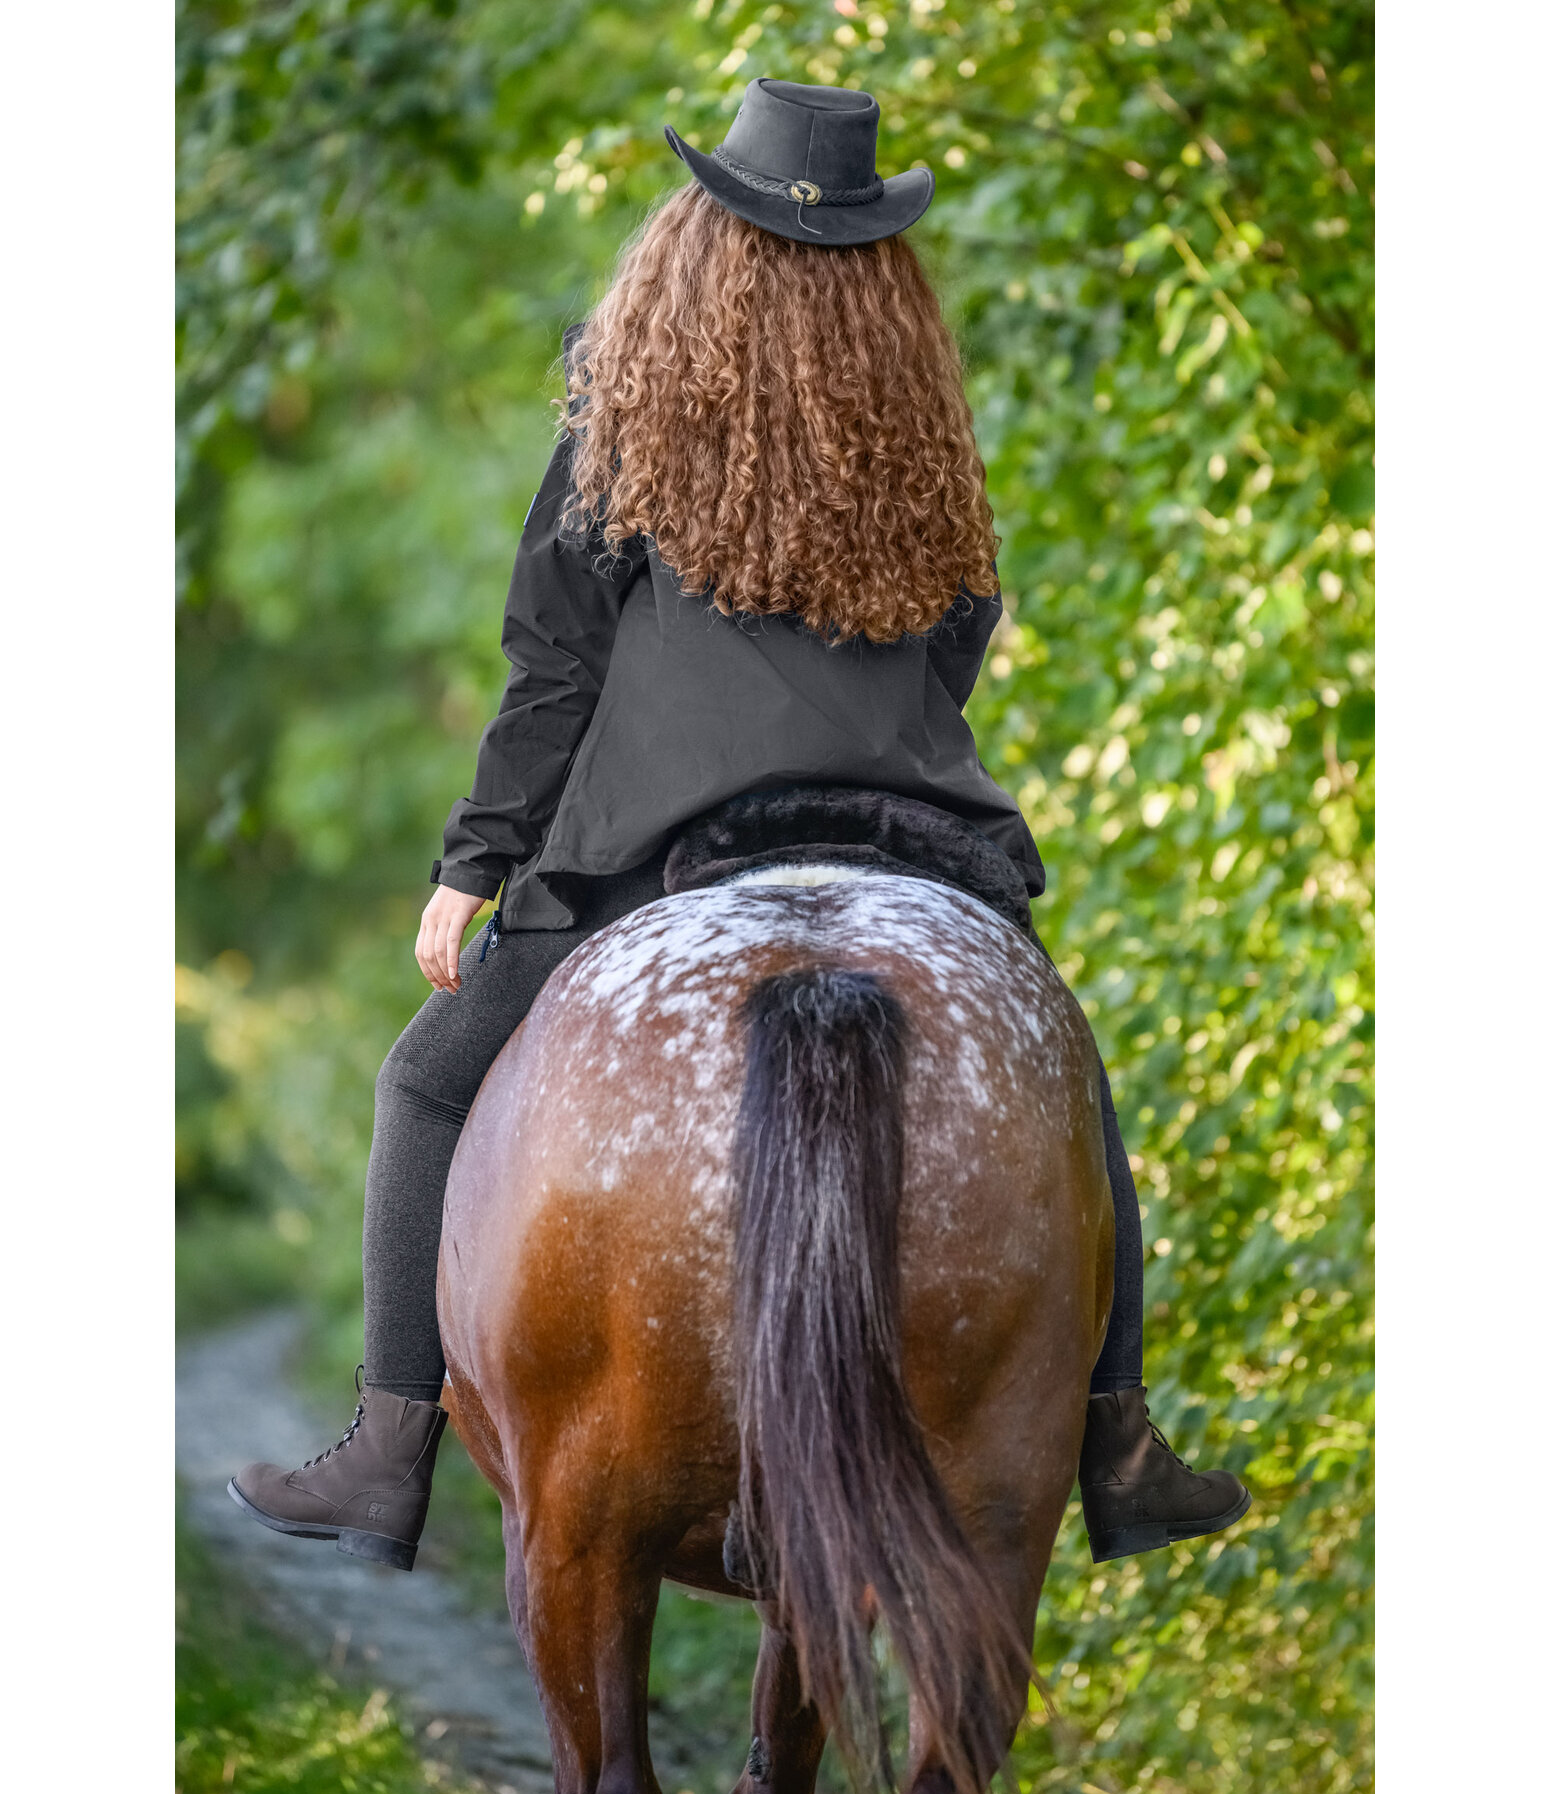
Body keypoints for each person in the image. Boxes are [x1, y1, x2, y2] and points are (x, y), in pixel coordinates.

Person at [229, 77, 1249, 1574]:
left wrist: (476, 866)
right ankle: (1118, 1442)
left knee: (426, 1085)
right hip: (910, 834)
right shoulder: (919, 419)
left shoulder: (631, 406)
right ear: (879, 268)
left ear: (703, 237)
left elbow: (556, 665)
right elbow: (960, 631)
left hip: (665, 840)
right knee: (1064, 1079)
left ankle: (390, 1452)